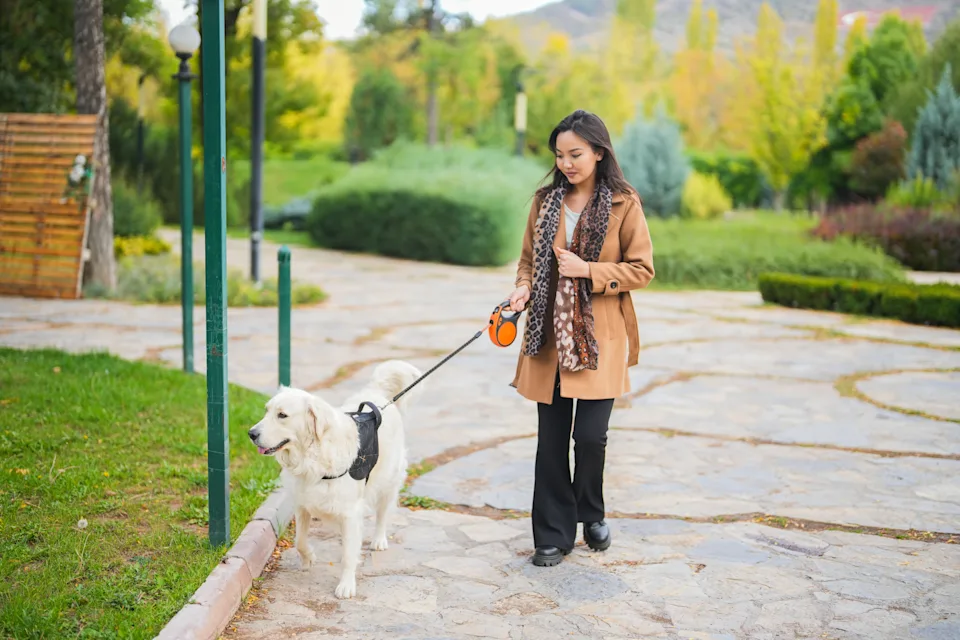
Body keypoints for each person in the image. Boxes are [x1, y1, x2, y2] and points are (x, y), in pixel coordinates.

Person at [508, 109, 655, 567]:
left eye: (576, 154)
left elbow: (642, 269)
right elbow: (529, 260)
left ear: (598, 152)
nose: (567, 163)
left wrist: (588, 271)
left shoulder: (624, 203)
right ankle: (551, 535)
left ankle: (590, 511)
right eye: (560, 154)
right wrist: (522, 287)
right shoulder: (545, 201)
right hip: (548, 335)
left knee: (590, 438)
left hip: (600, 337)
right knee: (551, 439)